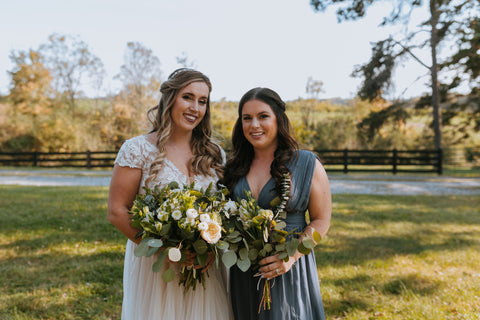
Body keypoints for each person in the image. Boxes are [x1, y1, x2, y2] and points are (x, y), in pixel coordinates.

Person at [107, 68, 233, 320]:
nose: (195, 108)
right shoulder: (137, 150)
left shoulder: (214, 153)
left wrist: (207, 246)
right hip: (156, 268)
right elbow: (117, 211)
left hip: (204, 265)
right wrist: (165, 250)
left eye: (203, 101)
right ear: (170, 98)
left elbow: (222, 207)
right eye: (188, 97)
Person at [221, 87, 331, 320]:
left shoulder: (306, 163)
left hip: (289, 270)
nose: (254, 125)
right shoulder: (233, 168)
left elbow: (321, 220)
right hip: (245, 273)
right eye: (247, 118)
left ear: (278, 119)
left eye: (263, 116)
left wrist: (291, 257)